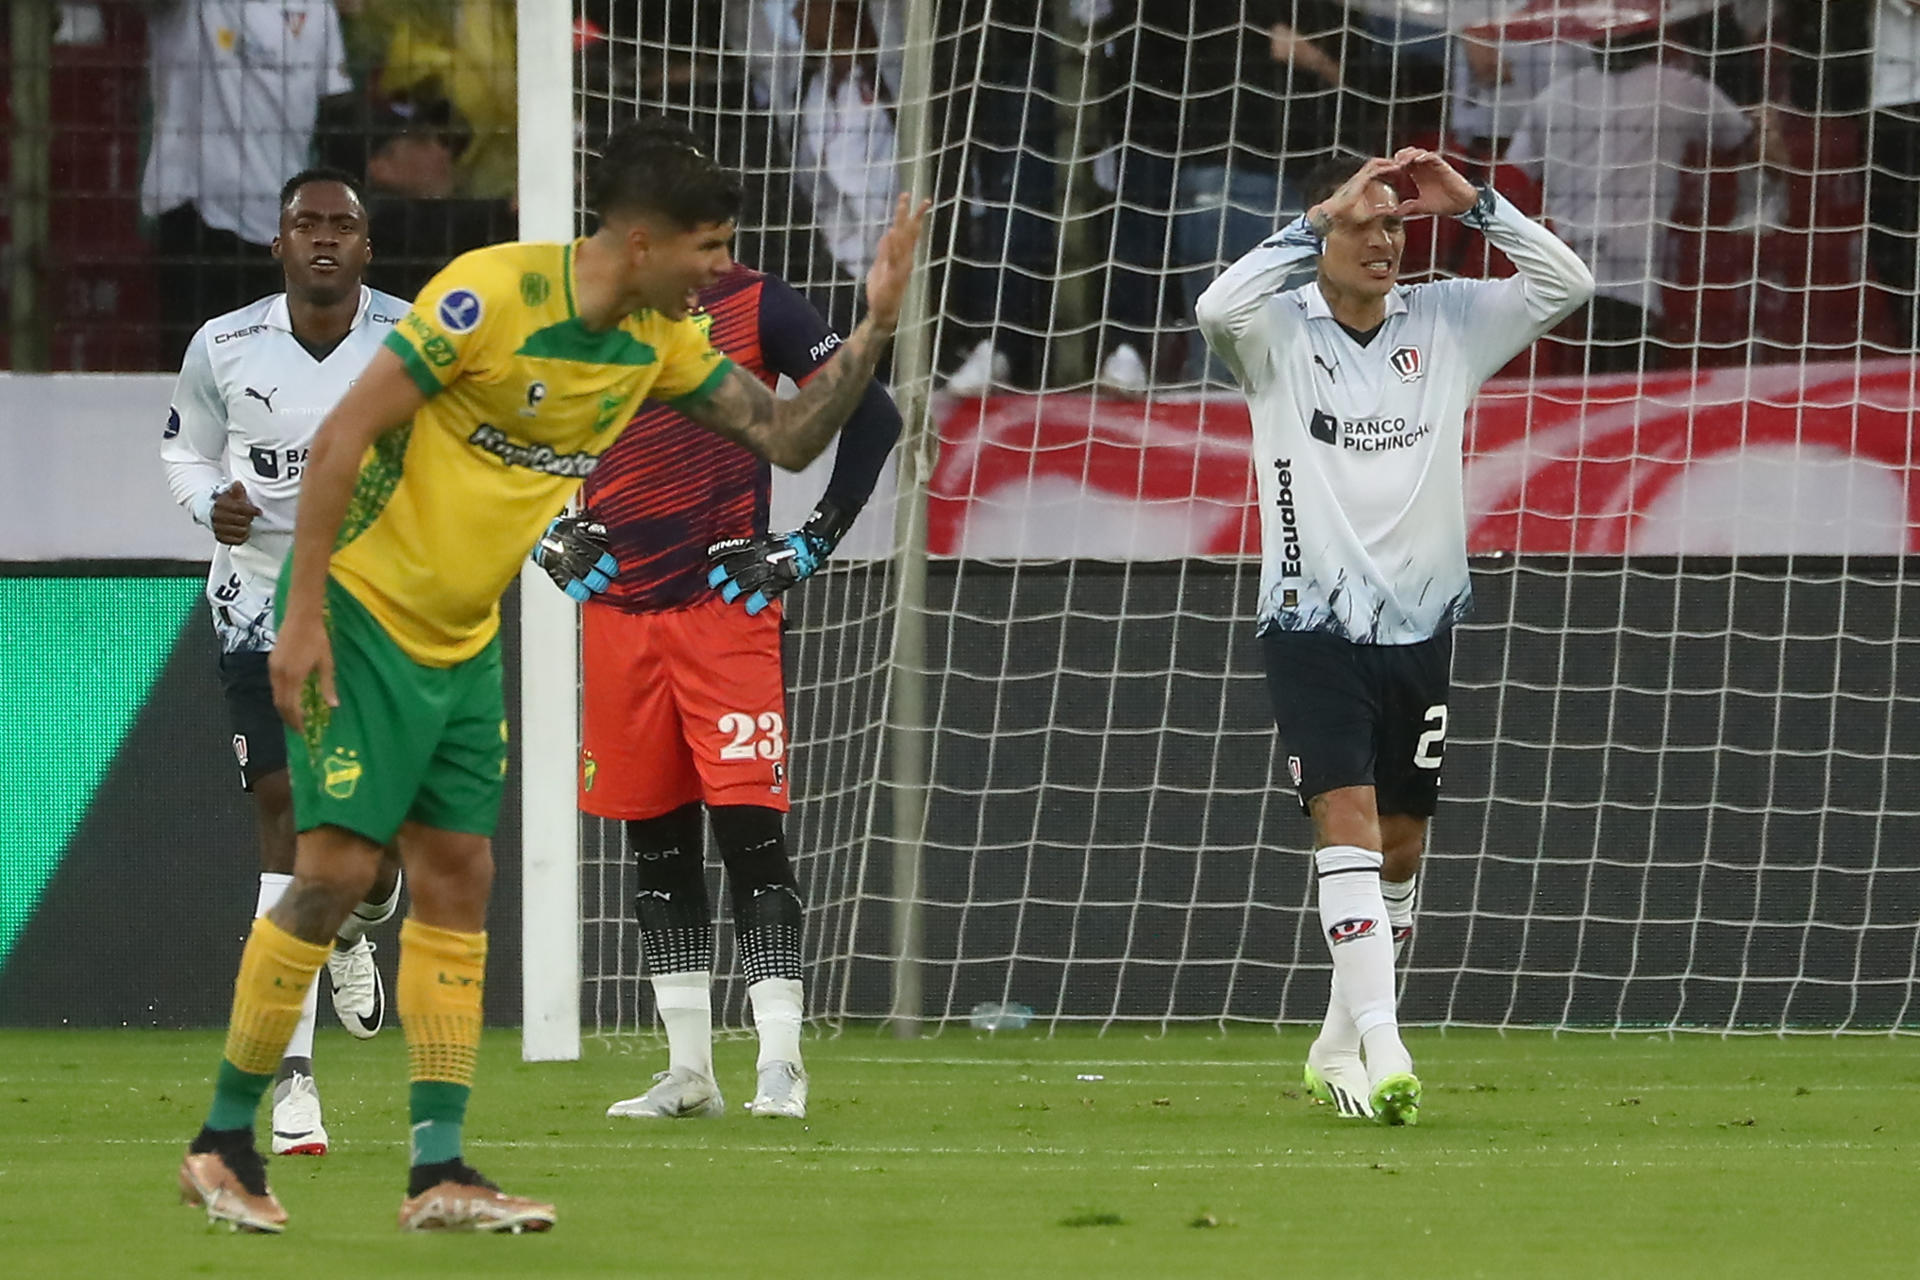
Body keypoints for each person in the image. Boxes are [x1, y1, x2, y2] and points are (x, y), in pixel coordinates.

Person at [175, 119, 928, 1234]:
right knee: (331, 868)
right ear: (639, 239)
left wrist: (874, 322)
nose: (721, 271)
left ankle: (438, 1171)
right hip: (372, 615)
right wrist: (304, 612)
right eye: (706, 248)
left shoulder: (662, 343)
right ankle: (225, 1141)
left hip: (462, 635)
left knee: (458, 877)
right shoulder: (489, 297)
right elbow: (341, 438)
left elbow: (790, 433)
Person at [1195, 149, 1593, 1125]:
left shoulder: (1449, 319)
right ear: (1325, 227)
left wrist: (1480, 207)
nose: (1384, 241)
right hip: (1310, 623)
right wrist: (1311, 223)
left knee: (1403, 843)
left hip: (1421, 626)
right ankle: (1384, 1044)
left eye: (1396, 225)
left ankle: (1337, 1038)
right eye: (1365, 223)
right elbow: (1212, 309)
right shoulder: (1275, 333)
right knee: (1347, 819)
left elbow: (1568, 283)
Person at [544, 250, 899, 1124]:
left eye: (714, 225)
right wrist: (546, 536)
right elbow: (495, 441)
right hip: (619, 618)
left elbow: (876, 415)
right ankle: (689, 1071)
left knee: (748, 831)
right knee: (656, 845)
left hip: (722, 608)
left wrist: (809, 542)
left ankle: (781, 1060)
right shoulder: (578, 315)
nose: (704, 246)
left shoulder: (756, 306)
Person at [160, 167, 409, 1160]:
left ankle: (358, 922)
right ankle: (293, 1080)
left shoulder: (411, 340)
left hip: (373, 615)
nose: (322, 238)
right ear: (277, 243)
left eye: (340, 225)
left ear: (365, 246)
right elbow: (184, 449)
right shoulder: (223, 344)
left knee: (363, 851)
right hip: (256, 610)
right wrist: (204, 502)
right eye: (305, 223)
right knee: (286, 810)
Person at [1502, 24, 1760, 374]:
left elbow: (1513, 177)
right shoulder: (1678, 89)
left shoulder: (1553, 97)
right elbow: (1749, 143)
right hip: (1630, 285)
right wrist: (1766, 124)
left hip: (1559, 279)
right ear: (1653, 34)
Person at [142, 0, 353, 364]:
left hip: (283, 226)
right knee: (194, 380)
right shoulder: (195, 8)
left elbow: (337, 111)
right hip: (196, 217)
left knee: (271, 382)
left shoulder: (316, 9)